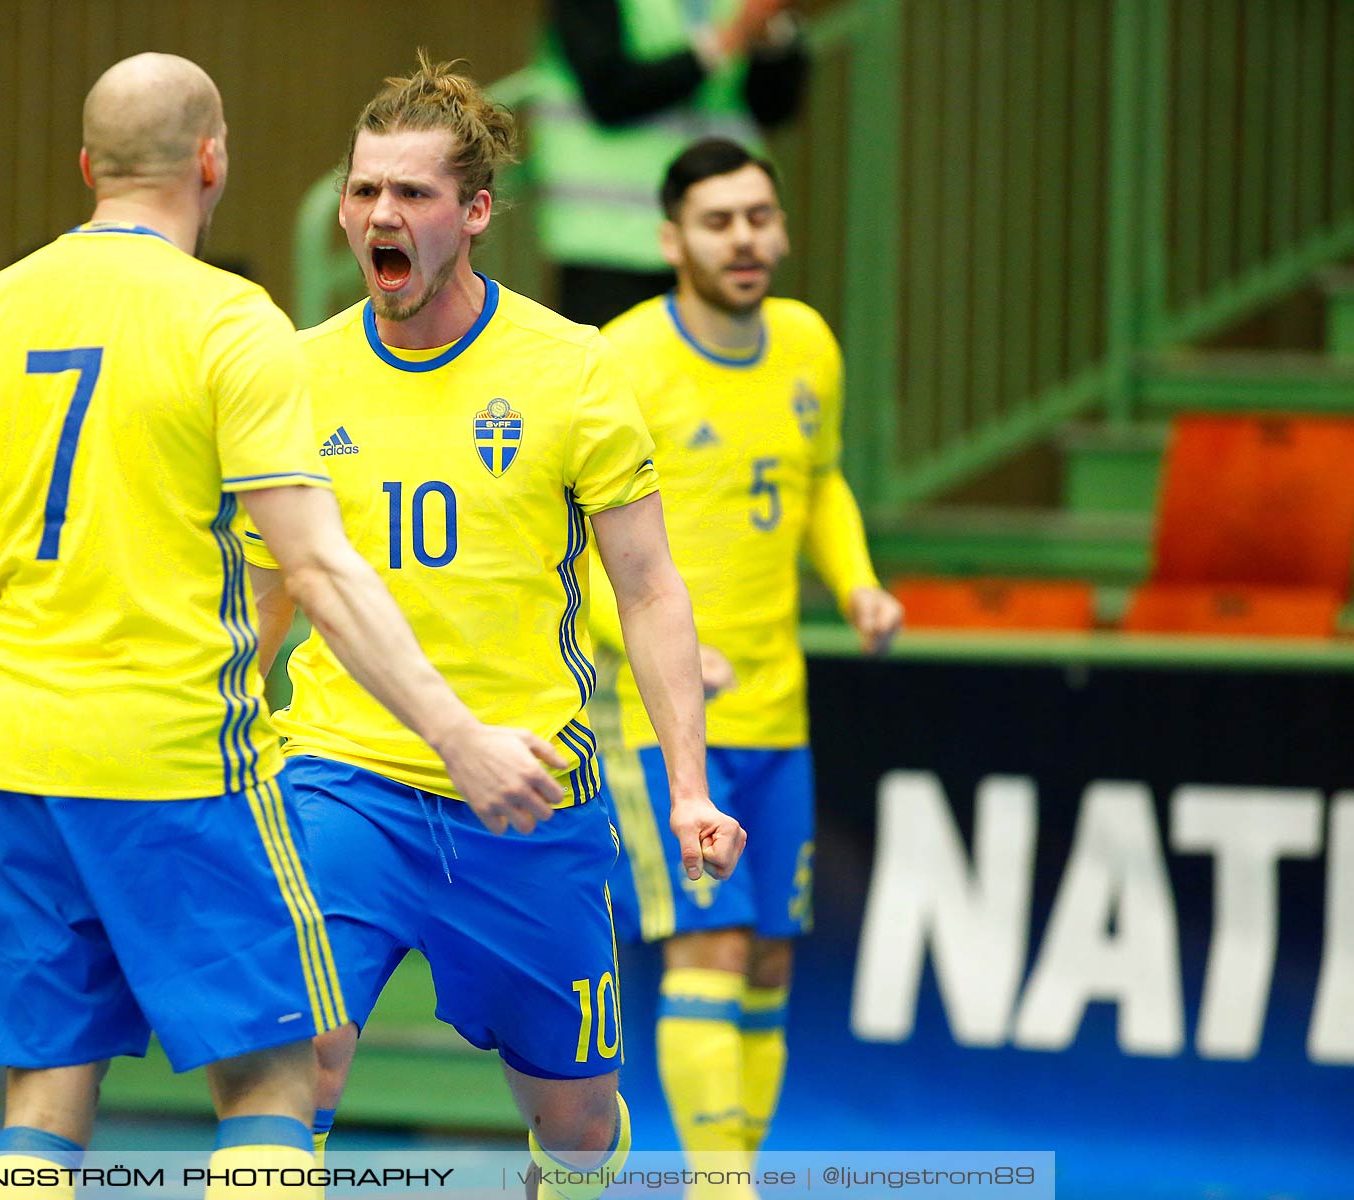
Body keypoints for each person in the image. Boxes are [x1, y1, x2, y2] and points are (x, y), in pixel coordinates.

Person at [0, 52, 570, 1200]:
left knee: (43, 1105)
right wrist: (462, 738)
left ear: (88, 167)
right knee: (272, 1090)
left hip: (14, 764)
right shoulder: (233, 325)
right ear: (212, 162)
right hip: (177, 763)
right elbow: (317, 564)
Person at [240, 55, 746, 1200]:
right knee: (296, 1070)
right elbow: (269, 592)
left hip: (528, 792)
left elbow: (650, 587)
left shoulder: (574, 369)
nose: (380, 215)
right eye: (364, 191)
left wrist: (688, 788)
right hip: (340, 777)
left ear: (474, 212)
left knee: (575, 1126)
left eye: (412, 194)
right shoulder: (296, 374)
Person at [589, 138, 903, 1195]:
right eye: (720, 221)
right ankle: (719, 1186)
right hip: (661, 718)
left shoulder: (809, 343)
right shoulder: (623, 360)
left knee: (767, 961)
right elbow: (569, 535)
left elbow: (821, 483)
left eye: (761, 216)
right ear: (671, 239)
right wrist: (668, 647)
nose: (747, 239)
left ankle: (732, 1174)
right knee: (707, 951)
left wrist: (854, 582)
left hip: (779, 711)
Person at [529, 0, 810, 328]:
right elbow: (608, 94)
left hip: (720, 237)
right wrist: (724, 42)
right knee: (618, 373)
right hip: (612, 243)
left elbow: (774, 108)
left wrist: (769, 34)